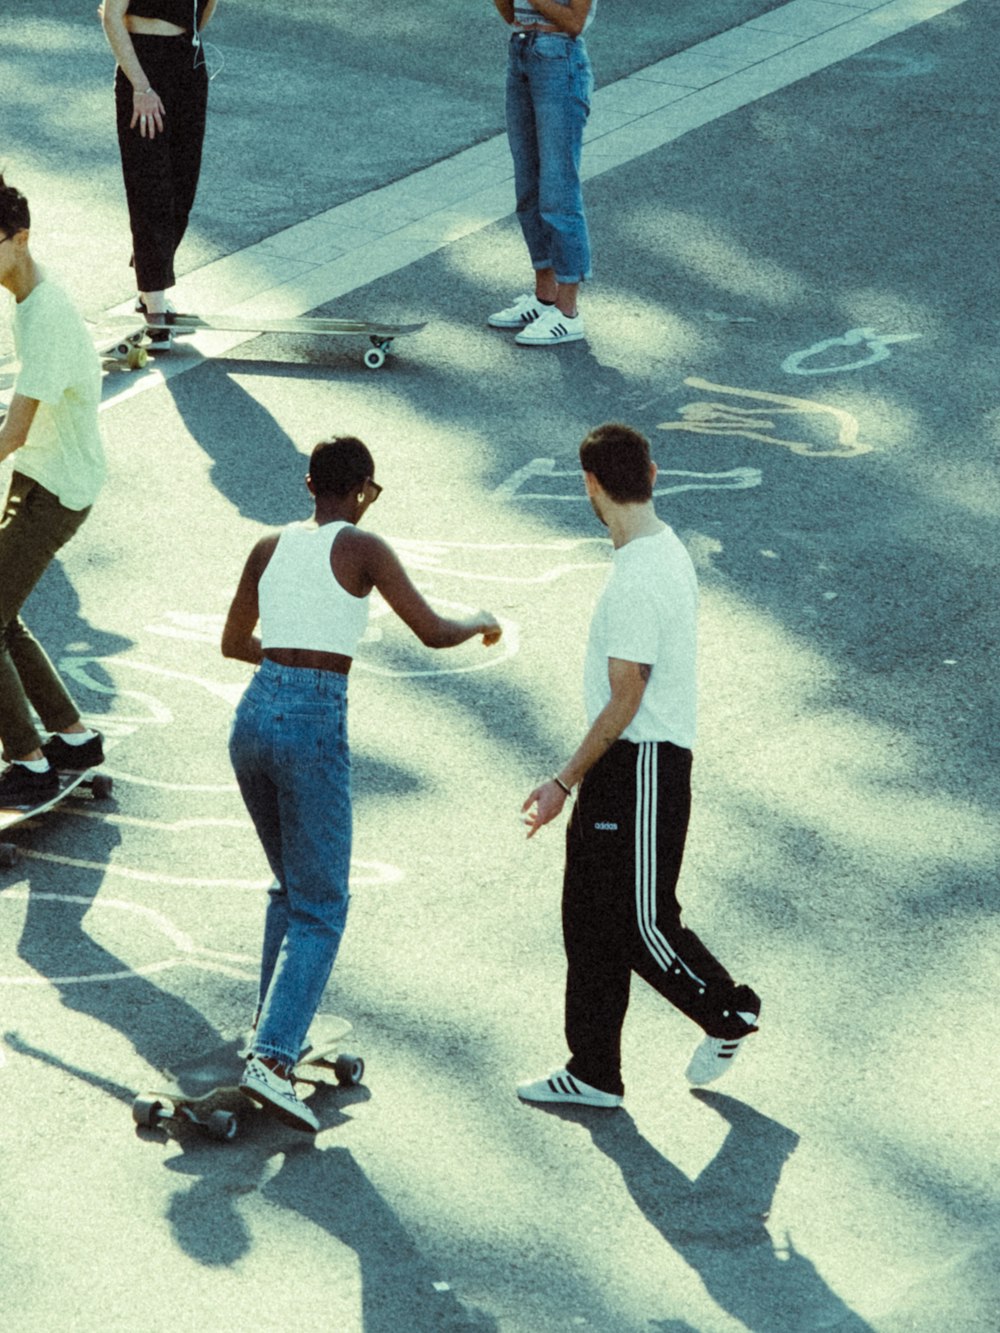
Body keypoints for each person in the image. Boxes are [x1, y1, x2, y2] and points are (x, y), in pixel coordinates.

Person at [221, 436, 502, 1132]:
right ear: (365, 489)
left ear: (307, 482)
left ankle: (273, 1028)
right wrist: (483, 620)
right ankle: (272, 1058)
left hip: (253, 714)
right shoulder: (362, 547)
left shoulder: (269, 545)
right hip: (312, 721)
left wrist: (287, 661)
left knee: (291, 887)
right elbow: (435, 631)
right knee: (323, 904)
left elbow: (232, 642)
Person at [518, 423, 761, 1109]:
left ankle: (728, 1008)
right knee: (587, 918)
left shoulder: (637, 579)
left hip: (643, 763)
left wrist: (563, 780)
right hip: (624, 765)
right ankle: (593, 1070)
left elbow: (629, 697)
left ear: (590, 485)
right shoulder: (660, 549)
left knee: (640, 918)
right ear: (652, 473)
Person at [0, 176, 106, 805]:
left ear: (20, 239)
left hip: (54, 488)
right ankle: (72, 739)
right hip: (48, 478)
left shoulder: (46, 315)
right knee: (3, 616)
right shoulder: (30, 299)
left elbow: (15, 429)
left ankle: (29, 764)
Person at [101, 1, 218, 348]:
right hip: (143, 64)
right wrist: (140, 86)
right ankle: (155, 307)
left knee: (183, 188)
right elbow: (110, 16)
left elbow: (207, 7)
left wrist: (185, 37)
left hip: (188, 63)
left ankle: (148, 281)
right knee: (150, 186)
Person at [489, 0, 595, 347]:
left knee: (558, 190)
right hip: (521, 52)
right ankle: (543, 297)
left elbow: (574, 22)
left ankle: (568, 313)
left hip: (559, 60)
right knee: (529, 188)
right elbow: (511, 15)